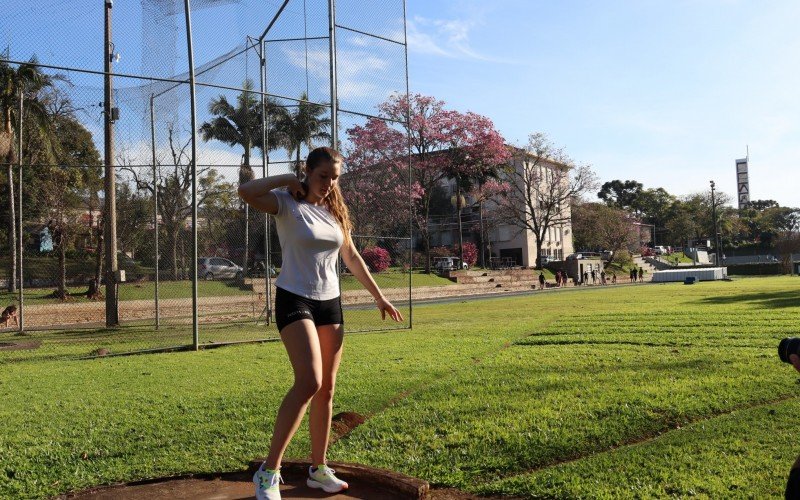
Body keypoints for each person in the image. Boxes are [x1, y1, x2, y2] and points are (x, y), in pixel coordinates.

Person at [238, 147, 403, 500]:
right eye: (322, 176)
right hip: (294, 297)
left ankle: (318, 468)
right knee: (309, 381)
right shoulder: (286, 201)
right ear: (307, 172)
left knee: (327, 387)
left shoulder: (335, 212)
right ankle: (269, 473)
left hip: (330, 303)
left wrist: (379, 296)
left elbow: (352, 257)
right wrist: (286, 179)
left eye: (334, 178)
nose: (328, 184)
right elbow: (246, 192)